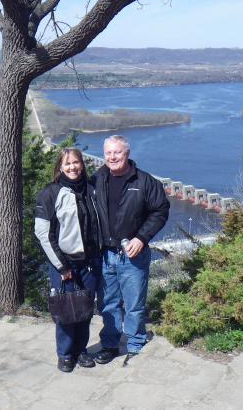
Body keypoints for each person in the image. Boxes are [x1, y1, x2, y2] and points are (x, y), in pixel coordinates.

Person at [90, 135, 170, 366]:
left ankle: (135, 343)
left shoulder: (145, 181)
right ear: (103, 155)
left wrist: (142, 238)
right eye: (108, 153)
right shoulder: (96, 180)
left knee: (134, 303)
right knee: (108, 303)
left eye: (117, 153)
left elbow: (160, 211)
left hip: (132, 254)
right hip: (105, 254)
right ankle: (110, 344)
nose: (112, 157)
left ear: (127, 154)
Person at [34, 147, 102, 373]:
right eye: (67, 164)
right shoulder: (50, 194)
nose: (72, 167)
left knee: (84, 309)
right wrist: (61, 266)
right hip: (65, 264)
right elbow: (43, 234)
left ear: (82, 164)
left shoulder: (91, 189)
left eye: (76, 162)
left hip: (90, 261)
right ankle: (64, 354)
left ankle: (81, 350)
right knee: (65, 310)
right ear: (60, 167)